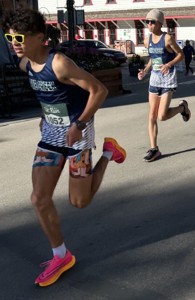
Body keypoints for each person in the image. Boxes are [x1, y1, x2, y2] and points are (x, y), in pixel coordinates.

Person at [1, 9, 126, 287]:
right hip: (50, 135)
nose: (14, 42)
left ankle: (108, 152)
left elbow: (99, 91)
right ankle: (61, 255)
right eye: (9, 36)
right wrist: (46, 116)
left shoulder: (59, 63)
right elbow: (49, 94)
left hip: (76, 133)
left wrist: (78, 124)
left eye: (19, 36)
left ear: (40, 38)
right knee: (38, 198)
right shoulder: (24, 64)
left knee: (79, 202)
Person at [138, 9, 191, 162]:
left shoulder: (167, 38)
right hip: (154, 78)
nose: (148, 24)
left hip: (167, 79)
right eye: (147, 21)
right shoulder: (147, 40)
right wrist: (145, 71)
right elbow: (152, 58)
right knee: (152, 115)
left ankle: (182, 108)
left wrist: (169, 64)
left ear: (160, 23)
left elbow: (180, 54)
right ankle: (154, 148)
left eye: (152, 21)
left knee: (162, 116)